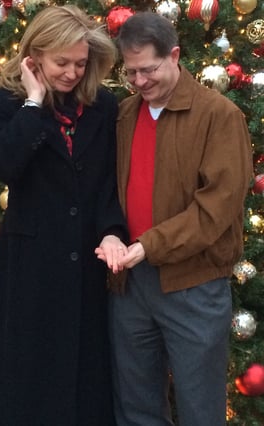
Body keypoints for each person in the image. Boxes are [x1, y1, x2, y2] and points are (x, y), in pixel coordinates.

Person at [0, 5, 128, 426]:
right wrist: (34, 104)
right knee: (27, 379)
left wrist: (112, 231)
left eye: (80, 63)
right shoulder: (7, 101)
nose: (72, 73)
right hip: (31, 269)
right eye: (62, 62)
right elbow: (4, 163)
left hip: (85, 267)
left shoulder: (104, 106)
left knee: (83, 381)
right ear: (34, 56)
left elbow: (108, 182)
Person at [97, 11, 253, 426]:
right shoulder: (125, 115)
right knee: (136, 407)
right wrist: (113, 235)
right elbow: (108, 190)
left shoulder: (218, 116)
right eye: (131, 73)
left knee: (200, 409)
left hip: (194, 286)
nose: (140, 82)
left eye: (148, 69)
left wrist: (150, 245)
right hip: (130, 285)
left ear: (175, 56)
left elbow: (215, 209)